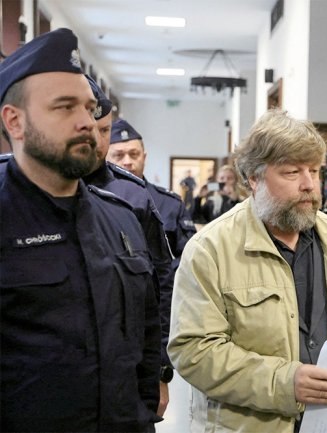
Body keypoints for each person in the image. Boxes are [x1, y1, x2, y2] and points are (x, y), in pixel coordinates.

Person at [168, 108, 327, 433]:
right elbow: (194, 350)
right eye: (292, 172)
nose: (309, 185)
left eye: (314, 171)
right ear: (253, 178)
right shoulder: (210, 249)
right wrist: (284, 383)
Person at [0, 28, 161, 431]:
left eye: (89, 109)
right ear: (15, 121)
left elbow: (145, 337)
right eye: (64, 107)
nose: (86, 123)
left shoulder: (121, 218)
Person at [82, 90, 181, 416]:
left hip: (125, 371)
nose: (96, 140)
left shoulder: (134, 199)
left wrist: (161, 370)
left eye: (104, 130)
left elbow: (159, 290)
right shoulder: (13, 195)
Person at [107, 118, 197, 270]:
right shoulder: (94, 200)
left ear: (144, 157)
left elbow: (190, 256)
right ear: (106, 159)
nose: (127, 161)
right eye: (119, 155)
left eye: (134, 154)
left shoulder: (170, 204)